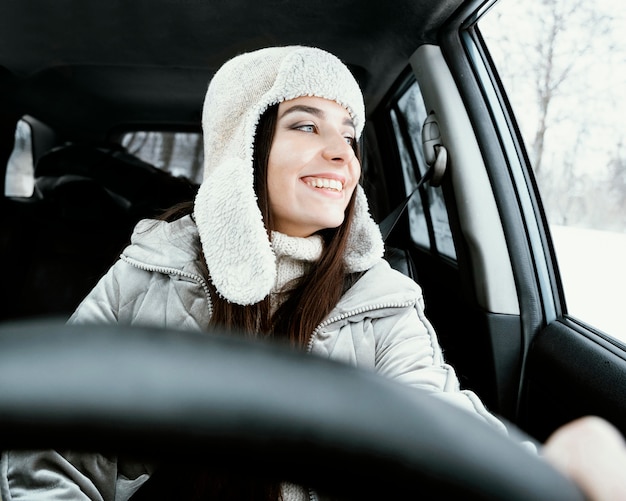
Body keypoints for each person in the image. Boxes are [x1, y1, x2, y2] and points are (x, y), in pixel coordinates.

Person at [1, 45, 626, 501]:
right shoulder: (152, 269)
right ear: (245, 146)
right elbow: (50, 456)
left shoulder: (383, 302)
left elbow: (442, 421)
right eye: (305, 124)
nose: (341, 153)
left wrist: (549, 470)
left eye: (349, 136)